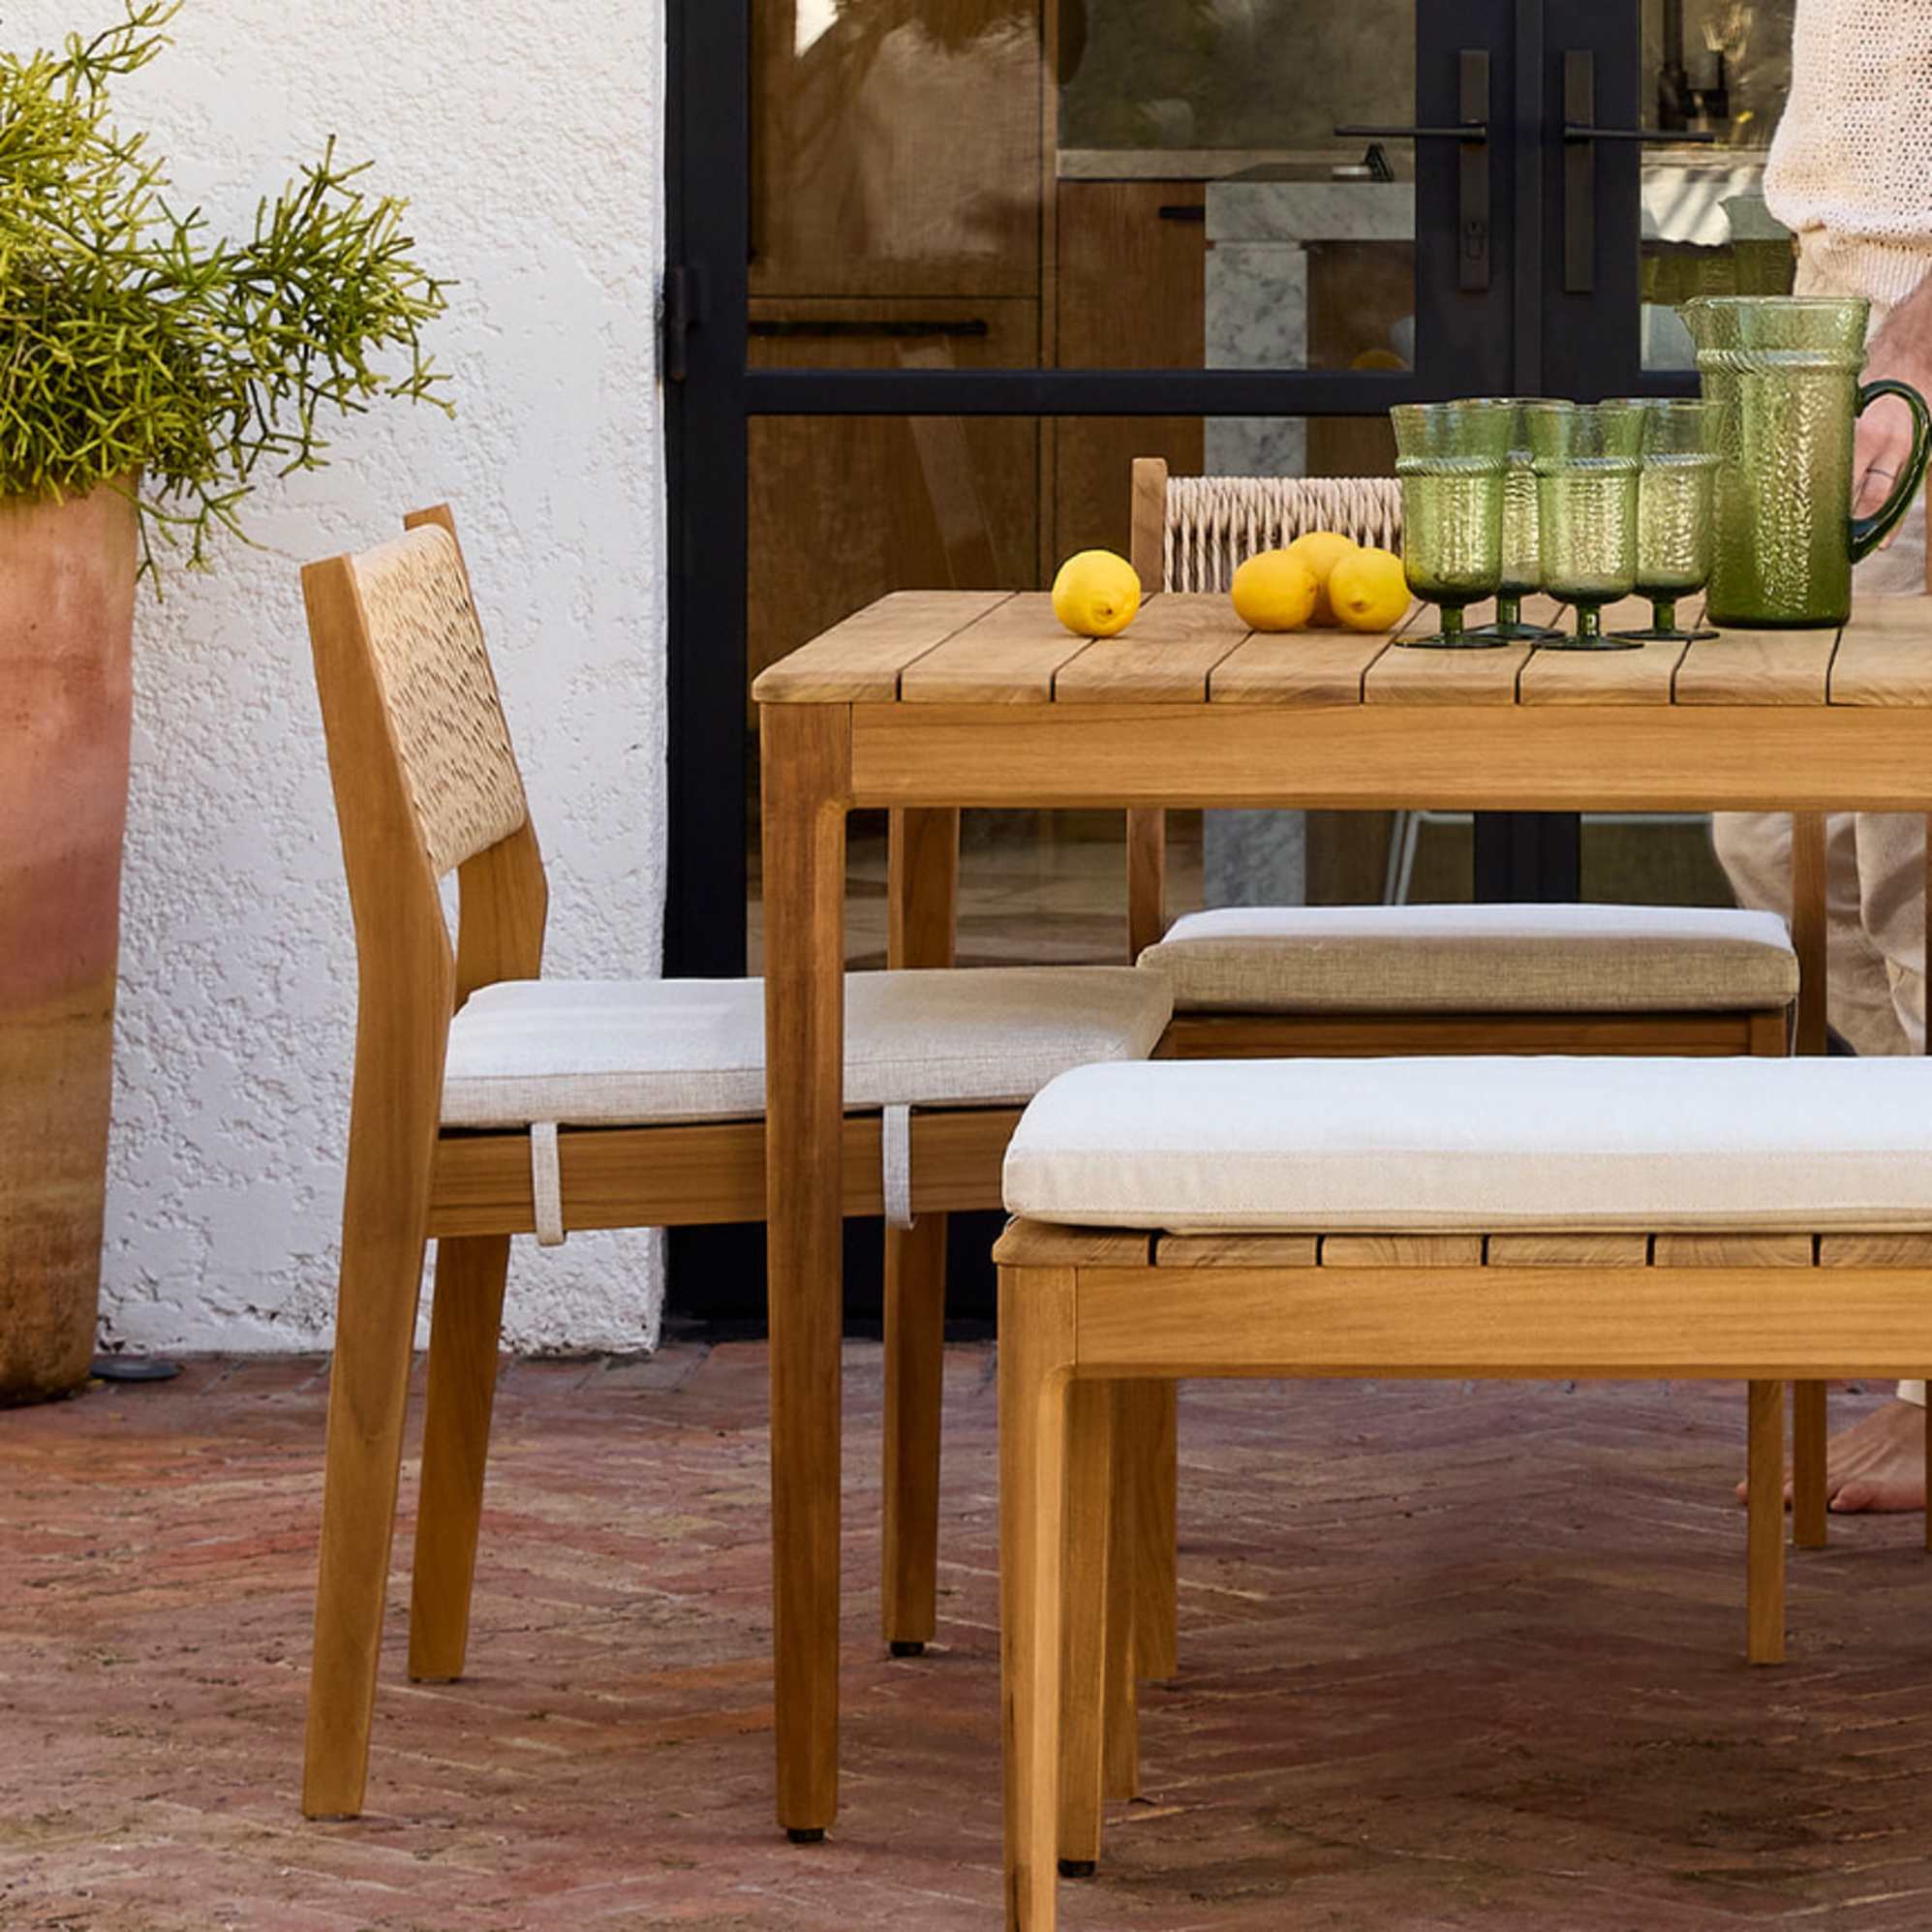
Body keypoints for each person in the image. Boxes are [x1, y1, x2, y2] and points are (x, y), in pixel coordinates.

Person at [1718, 2, 1932, 1511]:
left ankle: (1929, 1371)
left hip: (1917, 339)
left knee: (1913, 867)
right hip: (1827, 317)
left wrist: (1916, 338)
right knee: (1767, 829)